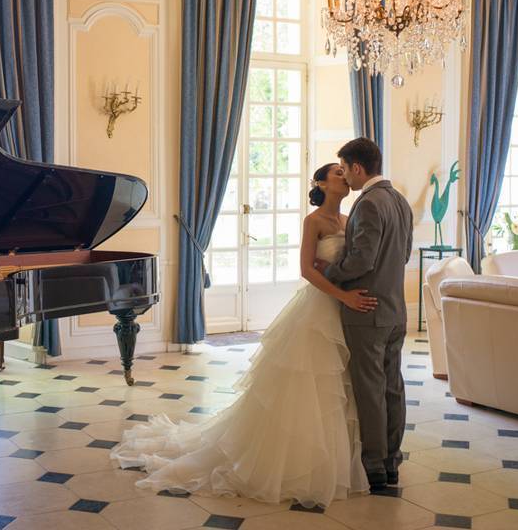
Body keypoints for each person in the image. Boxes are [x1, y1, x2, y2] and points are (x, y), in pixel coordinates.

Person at [110, 161, 374, 508]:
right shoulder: (314, 221)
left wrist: (345, 289)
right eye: (337, 173)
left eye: (345, 172)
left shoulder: (349, 219)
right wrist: (341, 294)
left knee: (339, 384)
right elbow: (307, 270)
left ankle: (335, 462)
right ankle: (293, 465)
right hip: (319, 309)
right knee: (309, 382)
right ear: (322, 184)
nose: (345, 177)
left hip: (343, 310)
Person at [315, 137, 414, 491]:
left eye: (345, 168)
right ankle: (392, 462)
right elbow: (404, 254)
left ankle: (374, 465)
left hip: (367, 310)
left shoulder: (369, 202)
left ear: (357, 167)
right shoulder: (400, 200)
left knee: (371, 390)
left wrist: (330, 272)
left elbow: (362, 260)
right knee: (393, 387)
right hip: (396, 310)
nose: (345, 176)